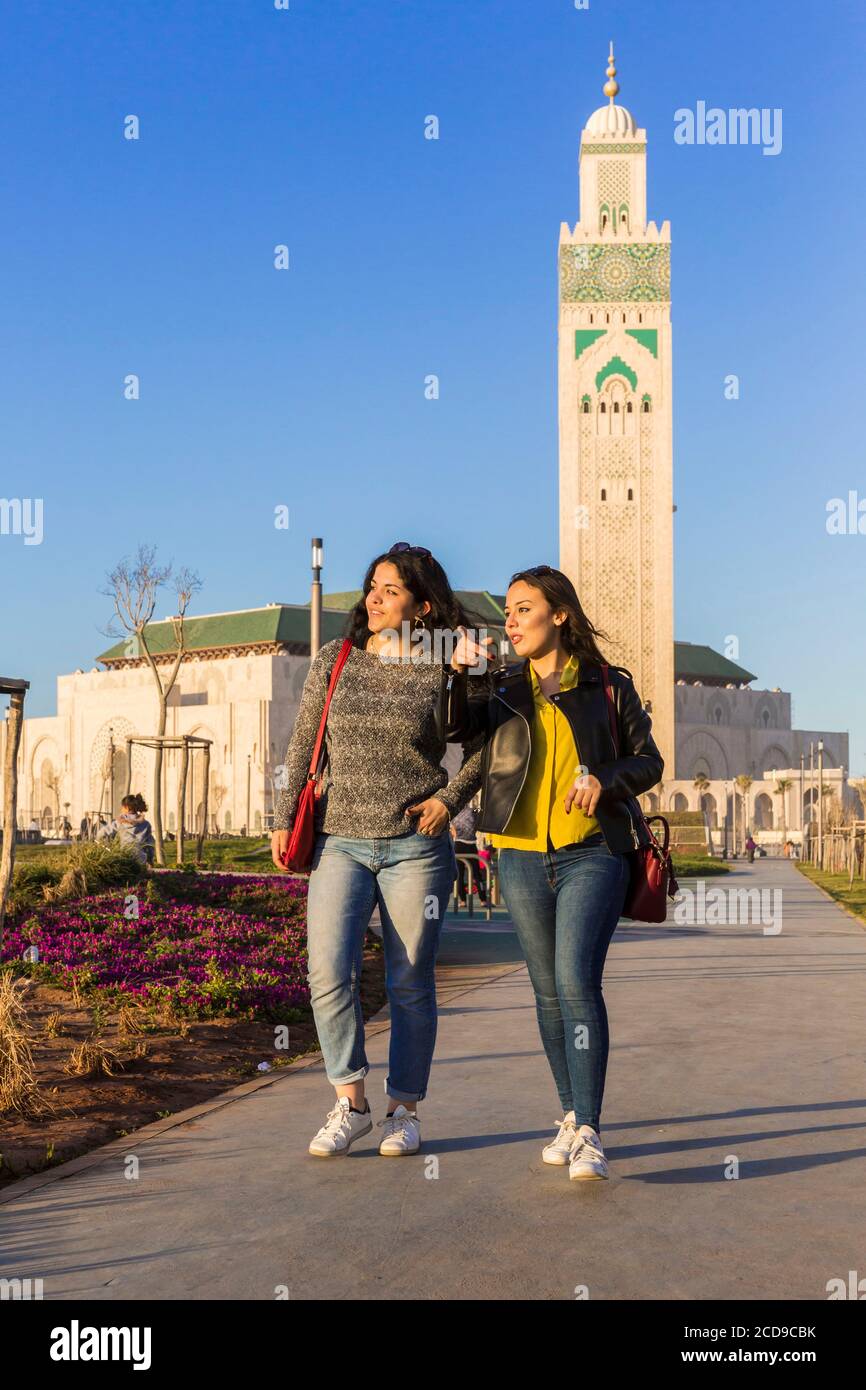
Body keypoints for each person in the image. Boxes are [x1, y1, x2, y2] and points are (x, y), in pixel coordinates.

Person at [447, 565, 663, 1182]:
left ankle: (590, 1129)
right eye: (508, 612)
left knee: (574, 981)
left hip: (591, 851)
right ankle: (568, 1114)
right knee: (546, 992)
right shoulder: (503, 684)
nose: (510, 622)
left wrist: (605, 779)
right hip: (516, 854)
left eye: (523, 610)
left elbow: (648, 761)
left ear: (559, 615)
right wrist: (460, 678)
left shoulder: (606, 685)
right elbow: (458, 732)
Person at [270, 542, 486, 1160]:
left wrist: (451, 799)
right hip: (340, 839)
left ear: (421, 606)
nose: (375, 597)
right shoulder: (336, 659)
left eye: (391, 590)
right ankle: (350, 1103)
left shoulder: (442, 666)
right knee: (328, 971)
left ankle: (404, 1110)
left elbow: (483, 747)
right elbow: (303, 741)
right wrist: (286, 819)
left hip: (416, 845)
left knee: (410, 982)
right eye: (372, 585)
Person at [98, 794, 155, 866]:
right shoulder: (146, 824)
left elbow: (101, 833)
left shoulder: (120, 822)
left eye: (122, 807)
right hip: (141, 859)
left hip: (124, 858)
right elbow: (150, 844)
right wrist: (150, 859)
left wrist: (107, 847)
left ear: (127, 807)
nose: (121, 809)